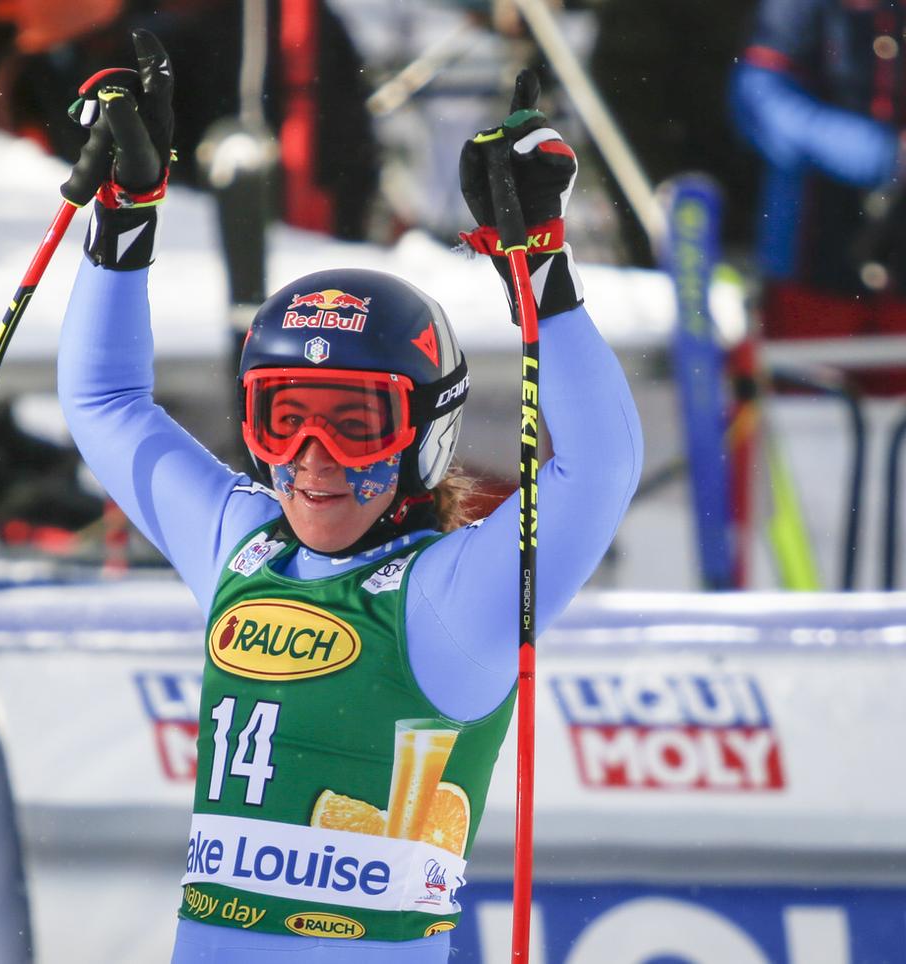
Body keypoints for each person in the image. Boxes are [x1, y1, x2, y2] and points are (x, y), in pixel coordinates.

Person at [56, 32, 642, 963]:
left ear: (425, 436)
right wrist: (125, 218)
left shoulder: (455, 599)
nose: (313, 460)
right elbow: (103, 404)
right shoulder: (243, 544)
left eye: (356, 423)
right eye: (284, 418)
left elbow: (600, 469)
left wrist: (541, 271)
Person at [730, 0, 906, 391]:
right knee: (798, 432)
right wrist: (881, 155)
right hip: (812, 271)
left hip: (897, 290)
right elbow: (756, 101)